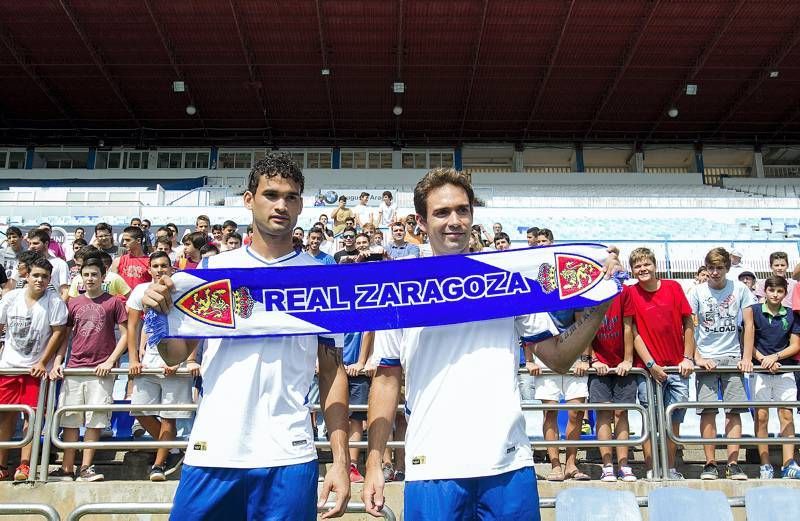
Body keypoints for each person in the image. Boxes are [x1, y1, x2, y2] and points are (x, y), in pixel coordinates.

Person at [363, 167, 619, 520]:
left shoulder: (509, 279)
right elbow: (387, 378)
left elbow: (558, 357)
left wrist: (598, 307)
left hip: (507, 464)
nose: (454, 220)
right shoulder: (400, 289)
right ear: (420, 222)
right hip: (433, 465)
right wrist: (375, 460)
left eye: (462, 210)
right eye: (441, 212)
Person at [141, 152, 351, 520]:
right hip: (215, 448)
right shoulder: (211, 270)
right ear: (249, 200)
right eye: (271, 194)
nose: (281, 205)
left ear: (301, 205)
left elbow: (332, 373)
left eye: (290, 197)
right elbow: (175, 355)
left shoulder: (321, 279)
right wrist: (158, 315)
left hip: (289, 452)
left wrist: (340, 459)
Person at [48, 257, 128, 482]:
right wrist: (58, 361)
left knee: (95, 420)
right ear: (81, 278)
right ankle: (66, 468)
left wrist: (110, 361)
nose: (90, 278)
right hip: (75, 367)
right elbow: (65, 336)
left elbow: (125, 336)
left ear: (103, 277)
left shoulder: (114, 302)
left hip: (100, 370)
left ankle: (85, 468)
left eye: (95, 274)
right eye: (86, 274)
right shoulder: (73, 303)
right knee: (70, 419)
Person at [126, 251, 198, 481]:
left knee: (169, 416)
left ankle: (159, 464)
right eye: (155, 266)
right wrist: (134, 358)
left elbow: (194, 327)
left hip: (175, 364)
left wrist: (186, 360)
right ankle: (173, 448)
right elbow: (133, 326)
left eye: (164, 265)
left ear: (172, 267)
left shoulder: (181, 290)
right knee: (140, 410)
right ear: (149, 269)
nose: (160, 269)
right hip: (149, 362)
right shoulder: (140, 291)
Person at [625, 247, 695, 480]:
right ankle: (652, 469)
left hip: (677, 368)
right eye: (637, 266)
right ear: (632, 270)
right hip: (648, 371)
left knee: (672, 423)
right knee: (650, 421)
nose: (643, 269)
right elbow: (633, 332)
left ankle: (670, 468)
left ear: (655, 265)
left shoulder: (674, 287)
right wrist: (651, 364)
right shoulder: (630, 293)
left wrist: (687, 357)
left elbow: (688, 324)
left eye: (647, 264)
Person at [688, 247, 756, 481]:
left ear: (728, 268)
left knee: (733, 412)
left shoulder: (740, 289)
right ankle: (710, 463)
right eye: (711, 268)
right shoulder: (697, 291)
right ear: (706, 269)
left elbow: (749, 324)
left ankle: (733, 464)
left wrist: (746, 357)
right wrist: (697, 357)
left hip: (732, 355)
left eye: (719, 268)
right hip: (706, 357)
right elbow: (689, 327)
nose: (715, 272)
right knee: (707, 411)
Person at [0, 257, 68, 481]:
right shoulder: (11, 298)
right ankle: (1, 465)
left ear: (49, 280)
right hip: (9, 366)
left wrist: (42, 362)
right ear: (26, 276)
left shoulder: (54, 301)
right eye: (36, 275)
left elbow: (59, 332)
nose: (40, 280)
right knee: (4, 417)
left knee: (33, 418)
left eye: (44, 277)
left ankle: (25, 465)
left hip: (36, 370)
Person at [743, 275, 800, 479]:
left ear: (785, 293)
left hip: (785, 371)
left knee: (787, 415)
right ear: (764, 291)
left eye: (779, 291)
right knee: (762, 417)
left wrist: (775, 358)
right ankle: (765, 464)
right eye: (771, 290)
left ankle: (788, 464)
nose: (775, 295)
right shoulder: (755, 311)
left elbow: (795, 345)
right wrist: (763, 359)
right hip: (760, 373)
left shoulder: (792, 315)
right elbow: (749, 339)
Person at [589, 290, 637, 482]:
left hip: (621, 364)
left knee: (621, 412)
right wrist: (593, 359)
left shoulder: (623, 291)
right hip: (599, 363)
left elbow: (628, 327)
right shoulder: (591, 290)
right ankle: (607, 465)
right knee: (603, 412)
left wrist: (627, 359)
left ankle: (624, 465)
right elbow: (586, 329)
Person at [20, 230, 69, 300]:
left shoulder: (60, 263)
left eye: (35, 243)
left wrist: (58, 308)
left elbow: (65, 291)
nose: (31, 247)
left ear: (46, 243)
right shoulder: (27, 263)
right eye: (30, 244)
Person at [111, 226, 152, 292]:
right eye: (123, 240)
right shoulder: (118, 261)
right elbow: (112, 286)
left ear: (138, 240)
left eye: (128, 240)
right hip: (122, 301)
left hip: (142, 300)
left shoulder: (150, 262)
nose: (124, 243)